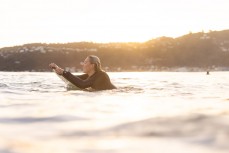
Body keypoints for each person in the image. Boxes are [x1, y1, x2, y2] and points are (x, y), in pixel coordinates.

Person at [49, 55, 116, 91]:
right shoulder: (89, 75)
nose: (83, 64)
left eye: (85, 62)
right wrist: (57, 69)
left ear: (93, 65)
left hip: (114, 93)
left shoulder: (101, 75)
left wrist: (64, 72)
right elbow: (75, 79)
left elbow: (82, 84)